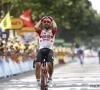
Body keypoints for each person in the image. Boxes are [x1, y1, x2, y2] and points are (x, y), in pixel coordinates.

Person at [34, 16, 57, 89]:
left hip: (49, 50)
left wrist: (52, 19)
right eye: (45, 22)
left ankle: (50, 79)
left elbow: (55, 27)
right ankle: (38, 83)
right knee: (37, 64)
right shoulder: (41, 31)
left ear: (50, 24)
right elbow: (35, 27)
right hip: (41, 50)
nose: (46, 23)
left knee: (50, 64)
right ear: (43, 24)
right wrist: (41, 19)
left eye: (48, 22)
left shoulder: (52, 32)